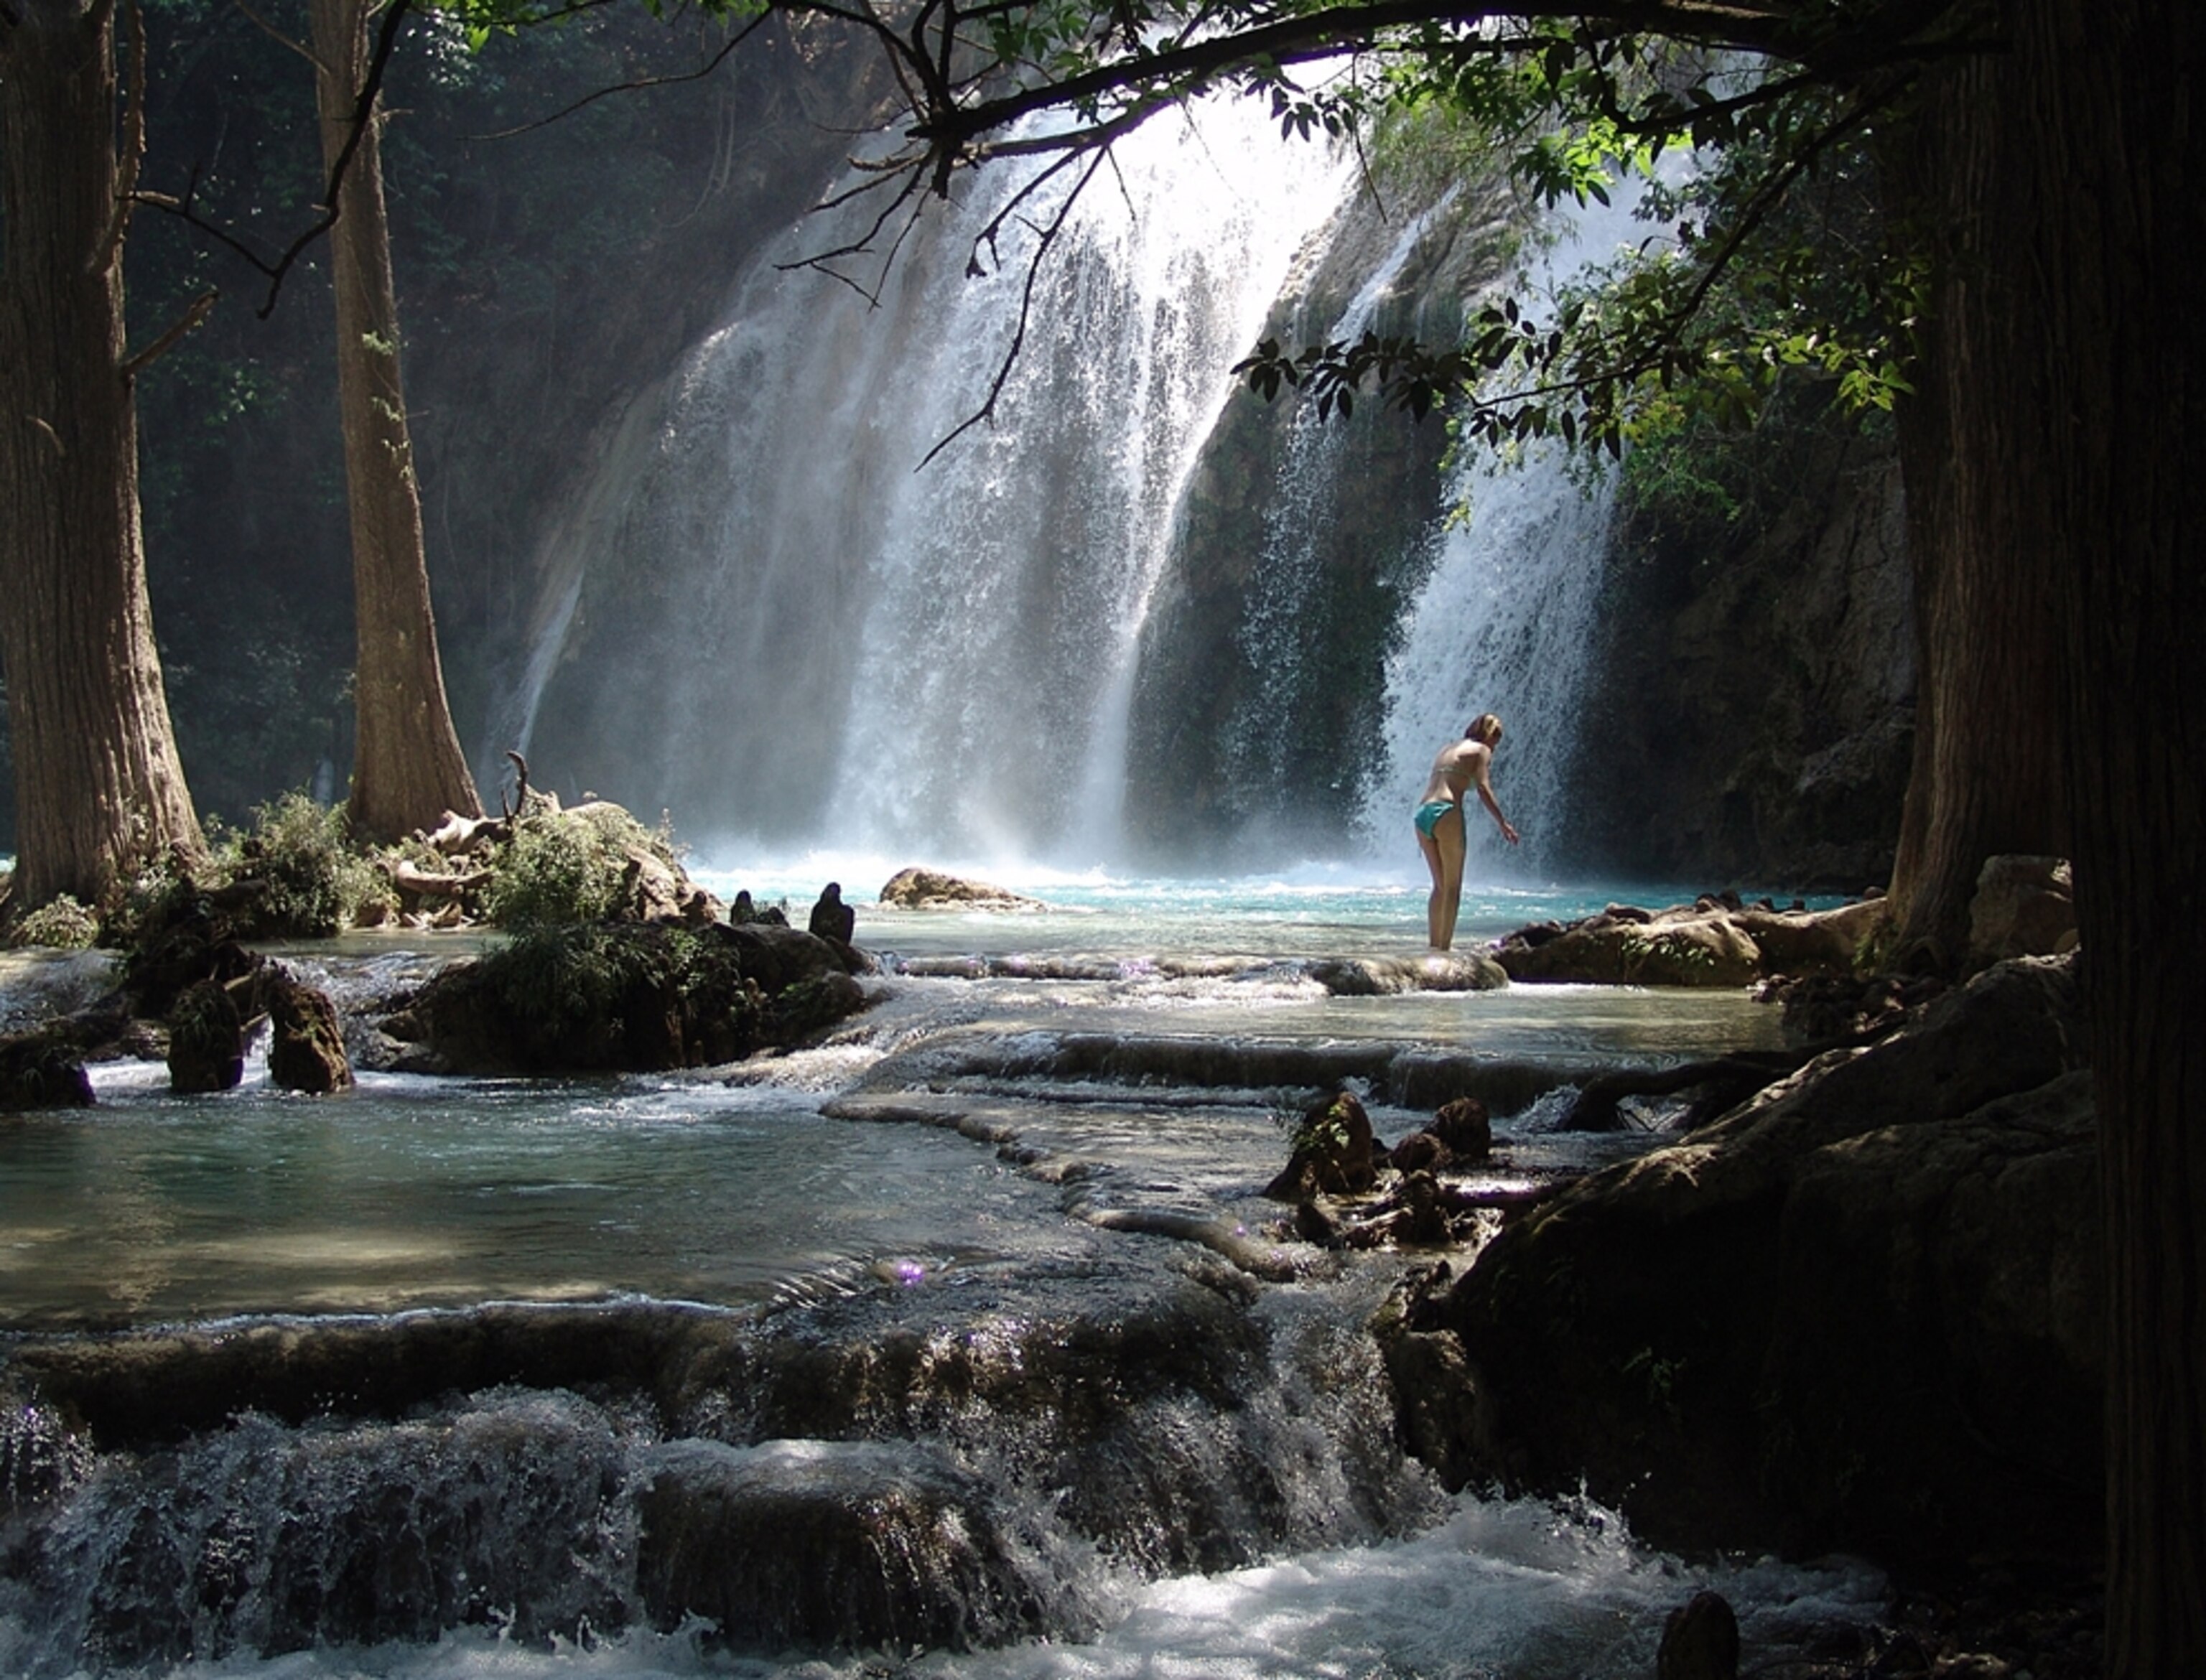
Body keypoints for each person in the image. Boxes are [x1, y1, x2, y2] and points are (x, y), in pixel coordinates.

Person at [1414, 712, 1519, 950]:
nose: (1496, 746)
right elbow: (1483, 786)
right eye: (1496, 739)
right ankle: (1444, 951)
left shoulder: (1448, 748)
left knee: (1439, 887)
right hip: (1447, 811)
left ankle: (1433, 948)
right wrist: (1503, 822)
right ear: (1489, 735)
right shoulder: (1482, 750)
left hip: (1423, 814)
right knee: (1453, 888)